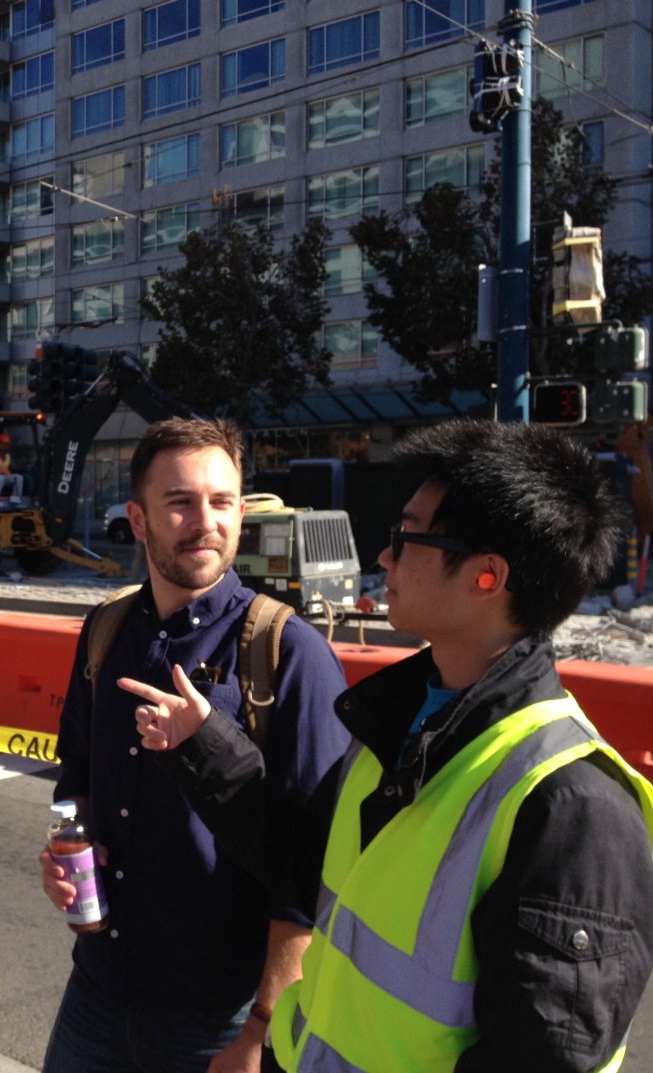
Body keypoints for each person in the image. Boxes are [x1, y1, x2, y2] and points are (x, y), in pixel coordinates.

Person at [131, 420, 653, 1072]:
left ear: (486, 577)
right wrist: (206, 746)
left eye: (406, 538)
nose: (384, 558)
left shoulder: (573, 808)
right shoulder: (402, 723)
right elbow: (316, 870)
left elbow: (545, 1053)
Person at [37, 417, 351, 1073]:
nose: (205, 521)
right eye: (180, 502)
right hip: (97, 993)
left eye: (222, 501)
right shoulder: (105, 629)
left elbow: (313, 870)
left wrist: (261, 1031)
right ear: (138, 517)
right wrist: (71, 844)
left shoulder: (289, 653)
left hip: (220, 1018)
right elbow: (80, 772)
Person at [0, 431, 24, 498]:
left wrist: (17, 466)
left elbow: (12, 465)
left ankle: (16, 498)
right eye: (3, 444)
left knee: (19, 477)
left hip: (6, 476)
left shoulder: (7, 455)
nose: (5, 446)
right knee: (1, 478)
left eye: (6, 444)